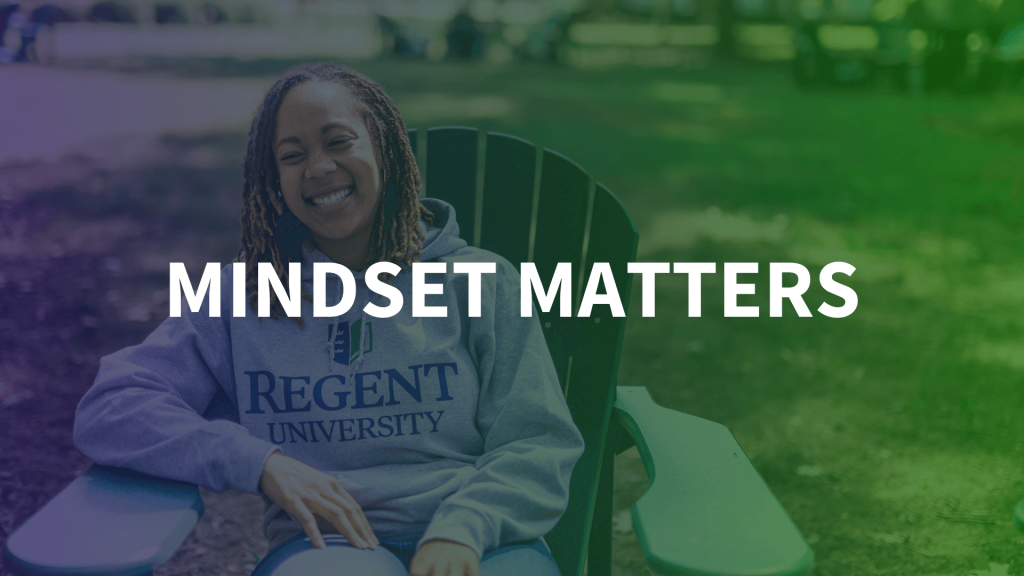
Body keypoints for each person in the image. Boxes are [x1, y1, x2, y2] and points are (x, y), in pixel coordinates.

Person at [73, 62, 585, 576]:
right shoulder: (242, 299)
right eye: (293, 156)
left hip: (487, 541)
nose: (318, 168)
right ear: (275, 180)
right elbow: (113, 406)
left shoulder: (480, 281)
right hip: (326, 547)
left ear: (383, 148)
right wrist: (259, 461)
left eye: (338, 142)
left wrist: (466, 528)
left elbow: (537, 441)